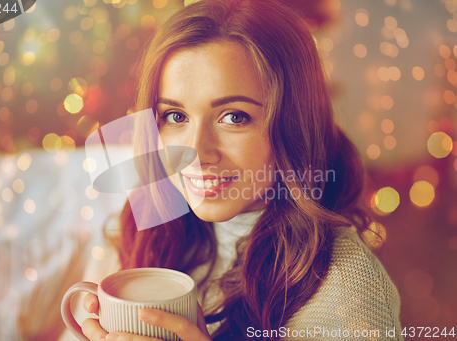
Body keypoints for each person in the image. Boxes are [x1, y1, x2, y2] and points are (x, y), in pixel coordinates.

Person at [78, 0, 403, 340]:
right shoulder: (145, 226)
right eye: (175, 116)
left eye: (234, 117)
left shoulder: (346, 290)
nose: (195, 154)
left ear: (294, 124)